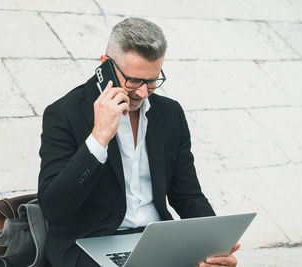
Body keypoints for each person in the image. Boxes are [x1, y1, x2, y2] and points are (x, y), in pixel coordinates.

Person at [38, 17, 239, 267]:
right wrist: (99, 138)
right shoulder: (64, 113)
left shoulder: (170, 113)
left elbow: (187, 195)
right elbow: (55, 209)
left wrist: (213, 243)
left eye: (152, 80)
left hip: (158, 240)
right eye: (134, 81)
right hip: (89, 242)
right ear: (106, 66)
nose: (143, 93)